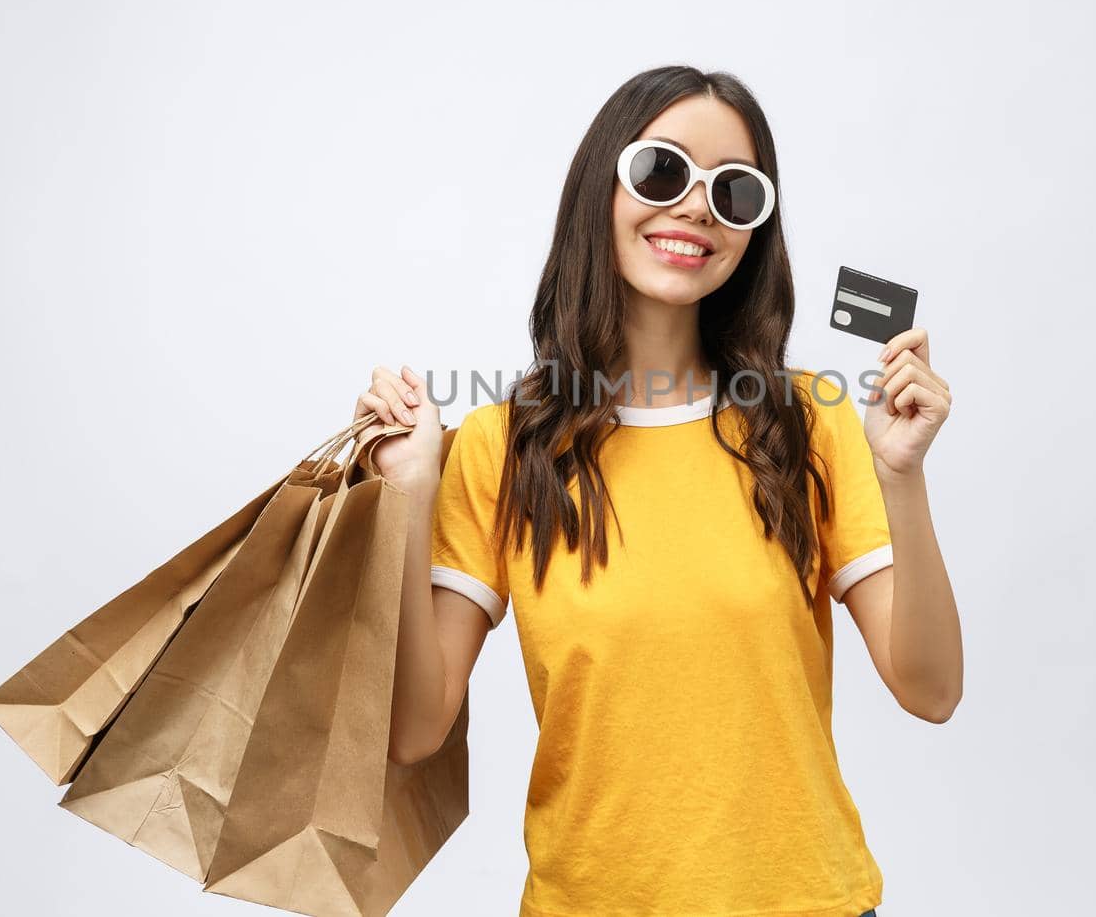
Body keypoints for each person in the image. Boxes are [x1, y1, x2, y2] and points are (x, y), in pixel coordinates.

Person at [353, 65, 963, 917]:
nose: (696, 208)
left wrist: (902, 477)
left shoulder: (806, 427)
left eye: (735, 191)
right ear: (601, 188)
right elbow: (414, 730)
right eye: (663, 171)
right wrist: (410, 498)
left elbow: (930, 690)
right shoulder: (504, 446)